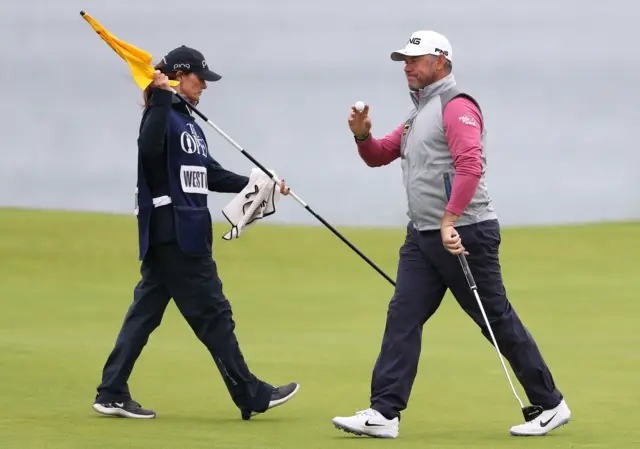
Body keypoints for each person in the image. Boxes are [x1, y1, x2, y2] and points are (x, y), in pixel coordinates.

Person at [331, 30, 570, 438]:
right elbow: (378, 155)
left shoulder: (455, 107)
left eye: (415, 59)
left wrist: (449, 220)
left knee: (494, 318)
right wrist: (361, 134)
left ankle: (550, 404)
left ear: (440, 61)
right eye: (404, 60)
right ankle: (384, 413)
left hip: (466, 233)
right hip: (424, 237)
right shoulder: (417, 113)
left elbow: (470, 166)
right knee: (403, 316)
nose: (406, 66)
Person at [92, 45, 299, 420]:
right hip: (177, 232)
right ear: (178, 76)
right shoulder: (162, 115)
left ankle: (110, 391)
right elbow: (149, 148)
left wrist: (261, 183)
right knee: (214, 314)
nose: (204, 84)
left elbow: (209, 174)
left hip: (179, 232)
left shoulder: (188, 121)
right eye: (198, 77)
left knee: (145, 313)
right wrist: (158, 96)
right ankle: (250, 394)